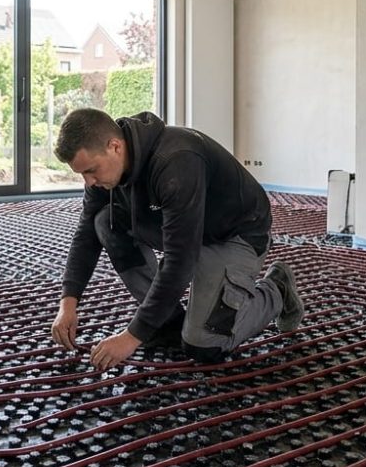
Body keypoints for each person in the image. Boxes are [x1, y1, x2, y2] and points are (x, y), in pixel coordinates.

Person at [50, 108, 303, 370]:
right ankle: (166, 321)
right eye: (82, 174)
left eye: (91, 171)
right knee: (104, 221)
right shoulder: (103, 176)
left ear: (115, 146)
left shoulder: (176, 160)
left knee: (204, 344)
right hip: (186, 231)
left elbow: (180, 259)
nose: (89, 182)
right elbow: (86, 234)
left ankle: (277, 289)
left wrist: (132, 336)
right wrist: (68, 302)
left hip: (235, 235)